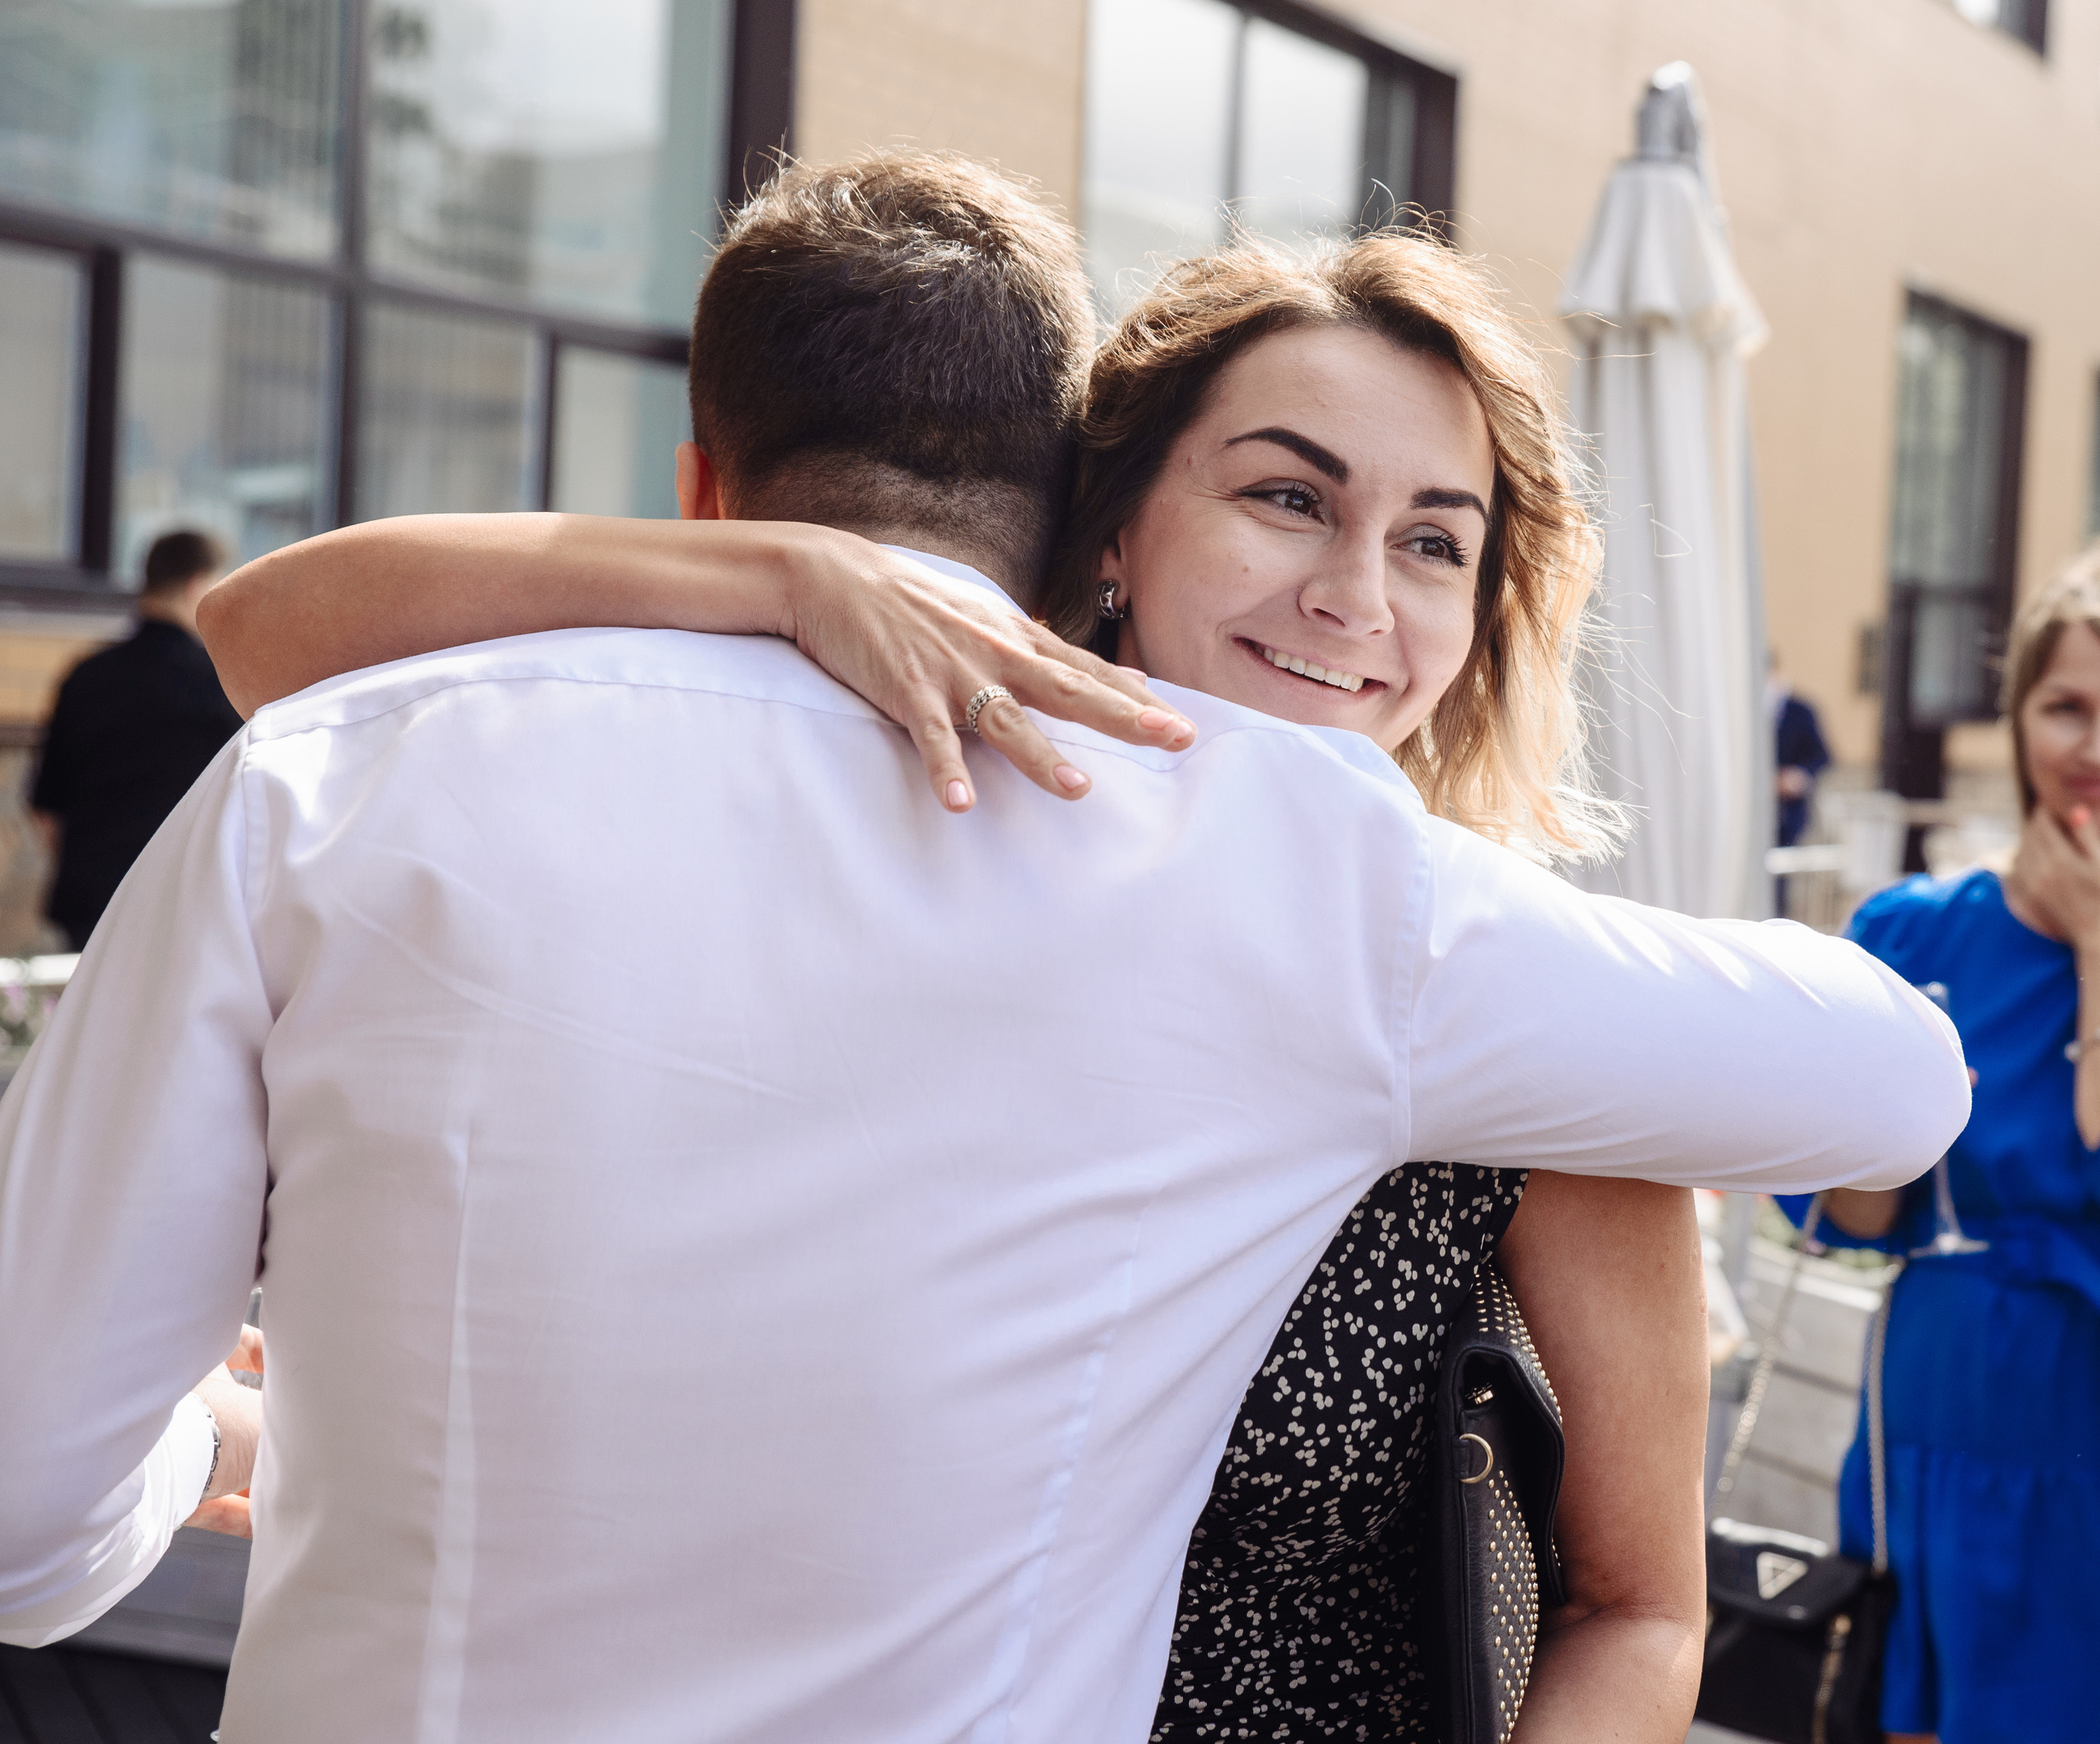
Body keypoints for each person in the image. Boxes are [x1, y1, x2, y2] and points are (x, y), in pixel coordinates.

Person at [0, 154, 1964, 1744]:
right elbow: (1891, 1073)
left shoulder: (345, 772)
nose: (1355, 594)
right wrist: (777, 572)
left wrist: (204, 1439)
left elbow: (24, 1522)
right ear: (1087, 529)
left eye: (1436, 539)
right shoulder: (1318, 890)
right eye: (1284, 494)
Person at [1777, 550, 2100, 1744]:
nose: (2090, 745)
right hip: (1940, 1407)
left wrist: (2094, 943)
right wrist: (1893, 1123)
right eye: (2065, 705)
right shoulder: (1915, 929)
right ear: (2014, 719)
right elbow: (1848, 1219)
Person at [29, 528, 243, 950]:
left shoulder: (85, 675)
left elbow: (45, 808)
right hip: (180, 898)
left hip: (90, 896)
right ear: (197, 586)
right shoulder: (222, 683)